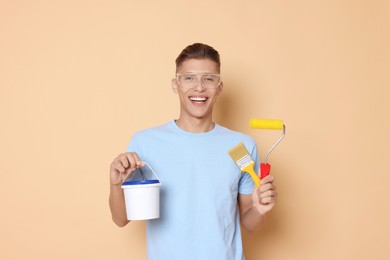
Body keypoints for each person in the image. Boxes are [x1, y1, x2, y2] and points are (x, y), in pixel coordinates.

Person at [109, 43, 277, 260]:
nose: (199, 87)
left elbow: (249, 223)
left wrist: (260, 209)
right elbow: (121, 219)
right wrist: (116, 186)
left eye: (209, 78)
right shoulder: (145, 143)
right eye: (189, 78)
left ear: (219, 86)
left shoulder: (242, 146)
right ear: (175, 84)